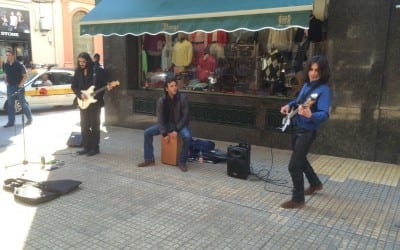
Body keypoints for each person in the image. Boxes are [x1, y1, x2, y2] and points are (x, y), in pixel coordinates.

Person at [279, 55, 331, 209]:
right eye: (311, 69)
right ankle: (315, 183)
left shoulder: (324, 90)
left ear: (323, 72)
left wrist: (311, 115)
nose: (313, 73)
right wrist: (288, 105)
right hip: (296, 127)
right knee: (300, 159)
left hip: (307, 132)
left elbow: (324, 113)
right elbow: (298, 101)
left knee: (294, 165)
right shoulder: (307, 85)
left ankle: (298, 199)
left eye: (317, 70)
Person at [137, 76, 192, 172]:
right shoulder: (162, 100)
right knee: (147, 132)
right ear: (166, 89)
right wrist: (164, 134)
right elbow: (160, 119)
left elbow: (185, 117)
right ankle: (149, 159)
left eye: (175, 85)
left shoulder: (183, 98)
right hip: (167, 124)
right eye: (171, 86)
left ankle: (182, 161)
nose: (175, 88)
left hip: (179, 124)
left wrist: (176, 130)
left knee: (187, 136)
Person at [71, 52, 110, 156]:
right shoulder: (78, 71)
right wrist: (80, 94)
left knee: (94, 125)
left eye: (83, 61)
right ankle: (86, 147)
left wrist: (108, 86)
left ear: (88, 61)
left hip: (95, 103)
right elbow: (73, 86)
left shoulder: (97, 71)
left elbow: (106, 83)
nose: (81, 64)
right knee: (84, 125)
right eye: (79, 62)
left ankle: (95, 148)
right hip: (83, 102)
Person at [3, 49, 33, 128]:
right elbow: (5, 74)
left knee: (22, 104)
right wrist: (6, 82)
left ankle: (30, 119)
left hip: (19, 87)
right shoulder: (6, 65)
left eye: (9, 55)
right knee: (10, 105)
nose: (7, 57)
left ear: (13, 55)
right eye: (6, 55)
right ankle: (11, 122)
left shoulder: (19, 65)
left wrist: (20, 85)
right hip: (10, 87)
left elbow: (25, 76)